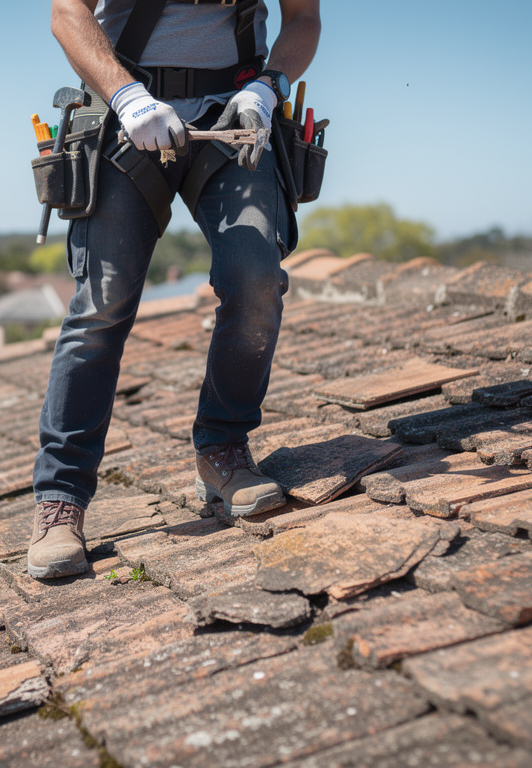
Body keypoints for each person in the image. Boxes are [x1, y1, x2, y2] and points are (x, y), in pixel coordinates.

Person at [29, 0, 322, 579]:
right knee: (102, 307)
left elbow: (304, 18)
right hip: (125, 115)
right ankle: (59, 501)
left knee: (255, 280)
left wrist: (269, 86)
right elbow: (67, 11)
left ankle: (222, 451)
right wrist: (126, 95)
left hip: (234, 115)